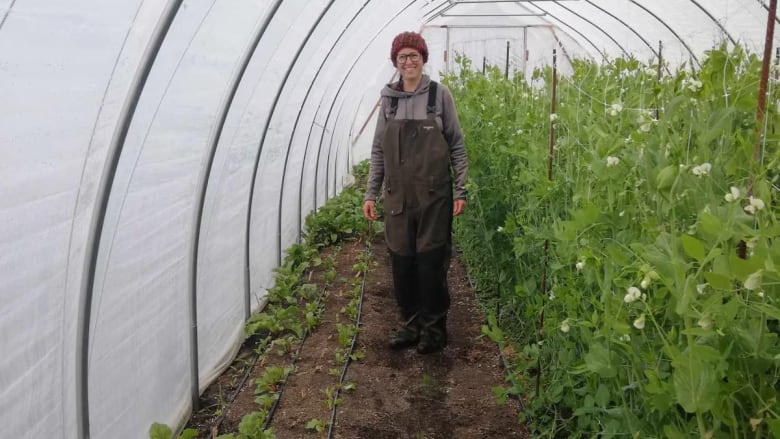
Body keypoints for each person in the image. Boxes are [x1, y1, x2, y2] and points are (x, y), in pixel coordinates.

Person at [362, 31, 468, 354]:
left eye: (414, 55)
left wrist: (461, 189)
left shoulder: (439, 96)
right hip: (397, 199)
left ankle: (434, 331)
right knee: (402, 263)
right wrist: (371, 193)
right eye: (402, 57)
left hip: (434, 197)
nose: (409, 62)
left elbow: (457, 146)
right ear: (395, 63)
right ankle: (410, 325)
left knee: (430, 263)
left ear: (423, 58)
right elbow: (379, 150)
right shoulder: (389, 102)